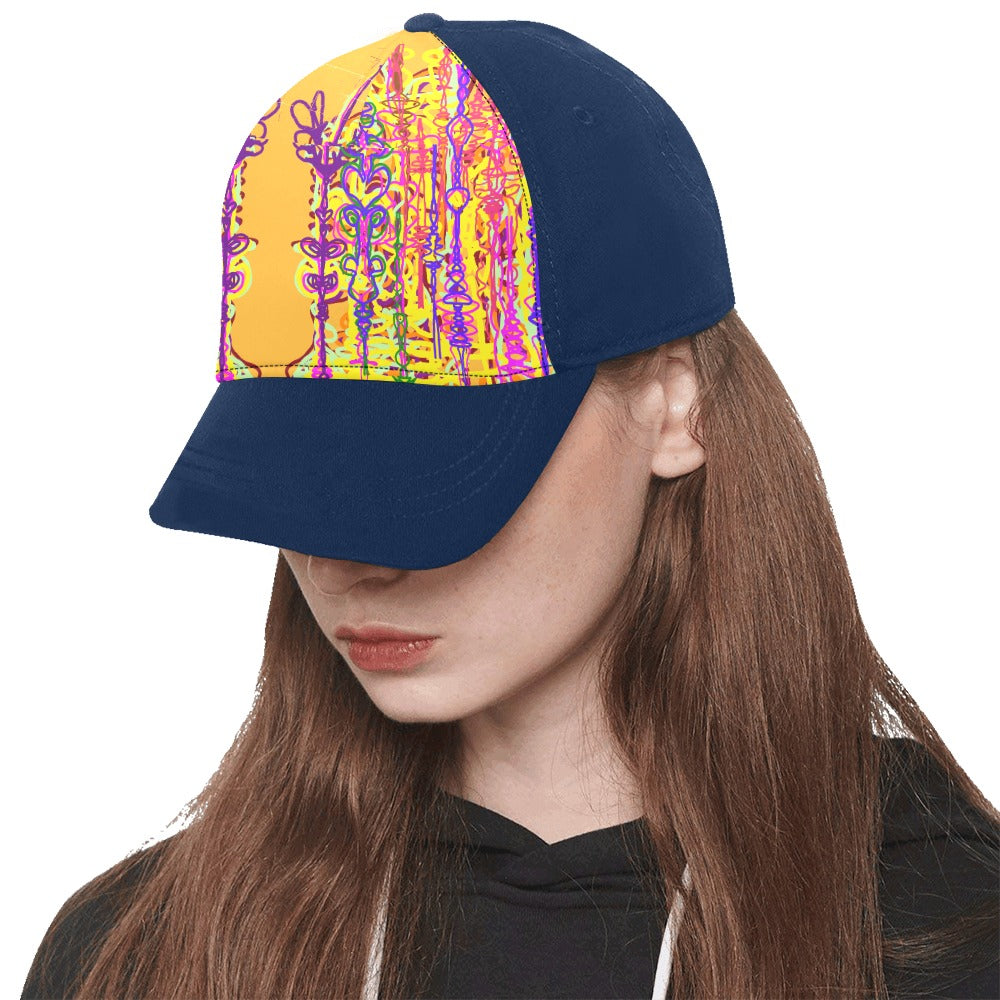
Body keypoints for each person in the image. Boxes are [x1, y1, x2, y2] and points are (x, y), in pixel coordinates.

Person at [20, 12, 999, 1000]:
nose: (350, 560)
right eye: (312, 473)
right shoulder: (136, 954)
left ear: (677, 407)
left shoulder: (953, 930)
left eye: (426, 470)